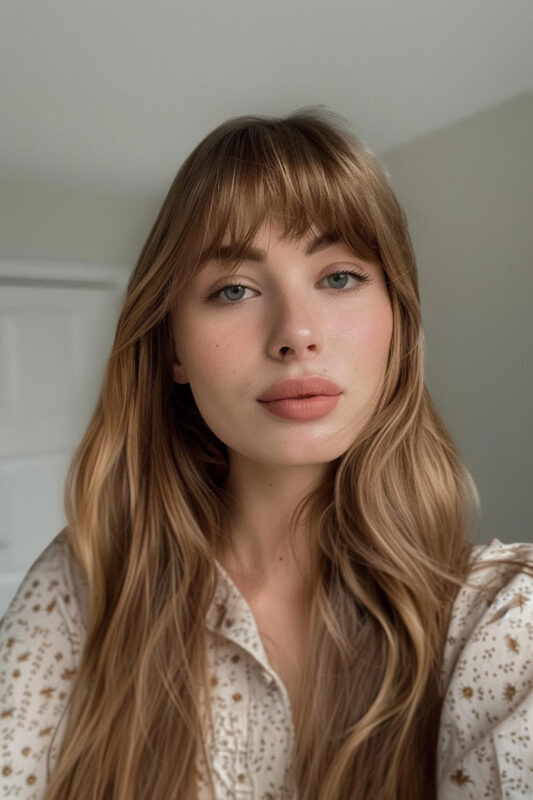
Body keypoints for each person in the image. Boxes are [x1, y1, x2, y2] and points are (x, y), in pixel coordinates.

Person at [1, 110, 532, 800]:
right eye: (234, 290)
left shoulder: (501, 622)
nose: (295, 333)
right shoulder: (82, 588)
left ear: (397, 322)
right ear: (173, 351)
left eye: (339, 277)